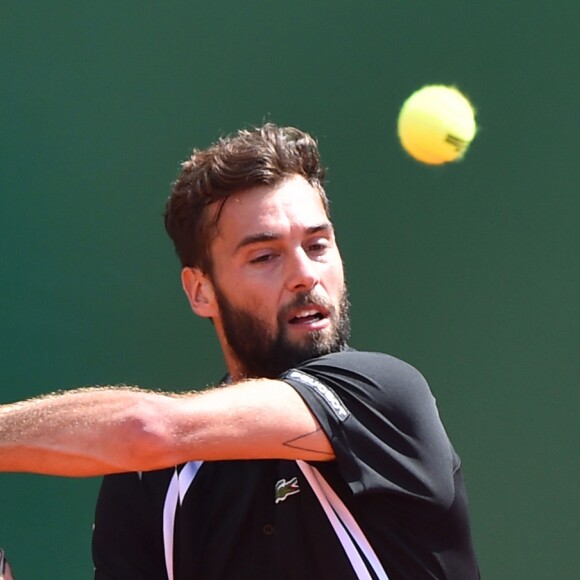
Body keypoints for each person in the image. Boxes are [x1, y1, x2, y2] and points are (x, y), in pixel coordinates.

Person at [0, 124, 480, 579]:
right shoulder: (151, 485)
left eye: (317, 245)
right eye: (265, 256)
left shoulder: (386, 397)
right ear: (201, 291)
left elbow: (147, 429)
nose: (305, 275)